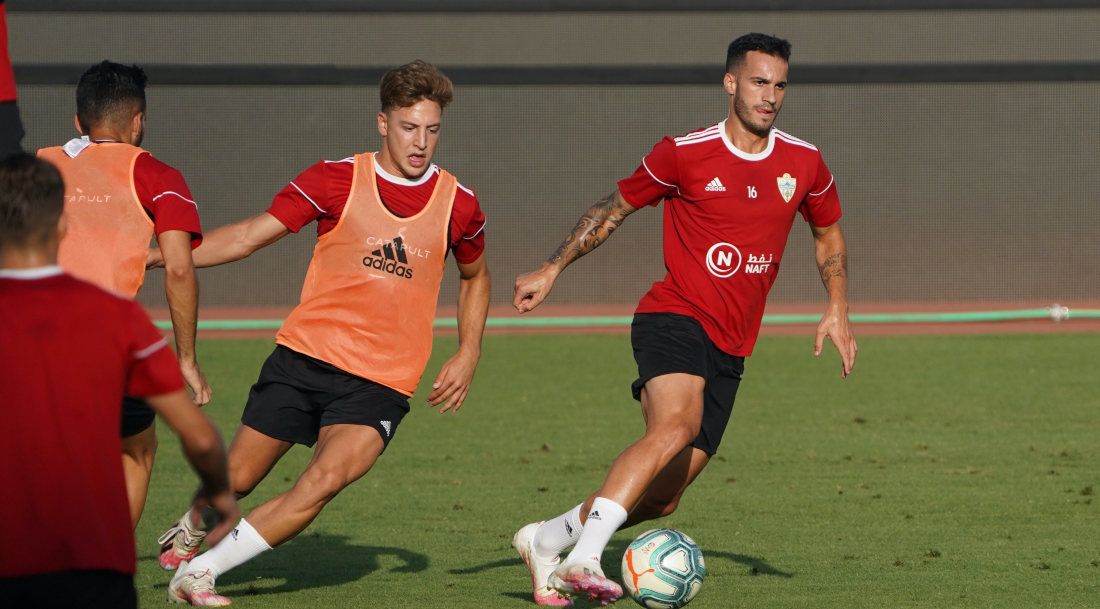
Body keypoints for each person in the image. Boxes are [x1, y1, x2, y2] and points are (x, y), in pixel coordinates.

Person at [511, 33, 858, 605]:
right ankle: (585, 559)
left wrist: (838, 306)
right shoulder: (683, 153)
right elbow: (612, 211)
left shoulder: (804, 162)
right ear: (730, 84)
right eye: (758, 82)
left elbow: (828, 235)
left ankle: (547, 540)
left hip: (732, 344)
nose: (769, 96)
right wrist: (552, 269)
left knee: (663, 498)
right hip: (673, 316)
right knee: (673, 427)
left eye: (779, 85)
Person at [154, 59, 491, 606]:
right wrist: (157, 257)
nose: (421, 142)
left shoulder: (461, 204)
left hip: (381, 382)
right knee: (235, 479)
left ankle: (202, 573)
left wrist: (469, 350)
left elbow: (476, 278)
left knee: (324, 480)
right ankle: (197, 516)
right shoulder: (334, 179)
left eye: (432, 130)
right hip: (304, 360)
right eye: (410, 128)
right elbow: (245, 237)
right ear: (383, 123)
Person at [0, 154, 238, 609]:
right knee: (136, 450)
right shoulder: (118, 319)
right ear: (62, 228)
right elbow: (200, 437)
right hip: (94, 570)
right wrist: (218, 493)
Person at [36, 60, 211, 529]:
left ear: (78, 121)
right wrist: (187, 359)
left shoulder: (38, 164)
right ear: (138, 122)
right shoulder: (159, 176)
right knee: (136, 450)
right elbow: (178, 267)